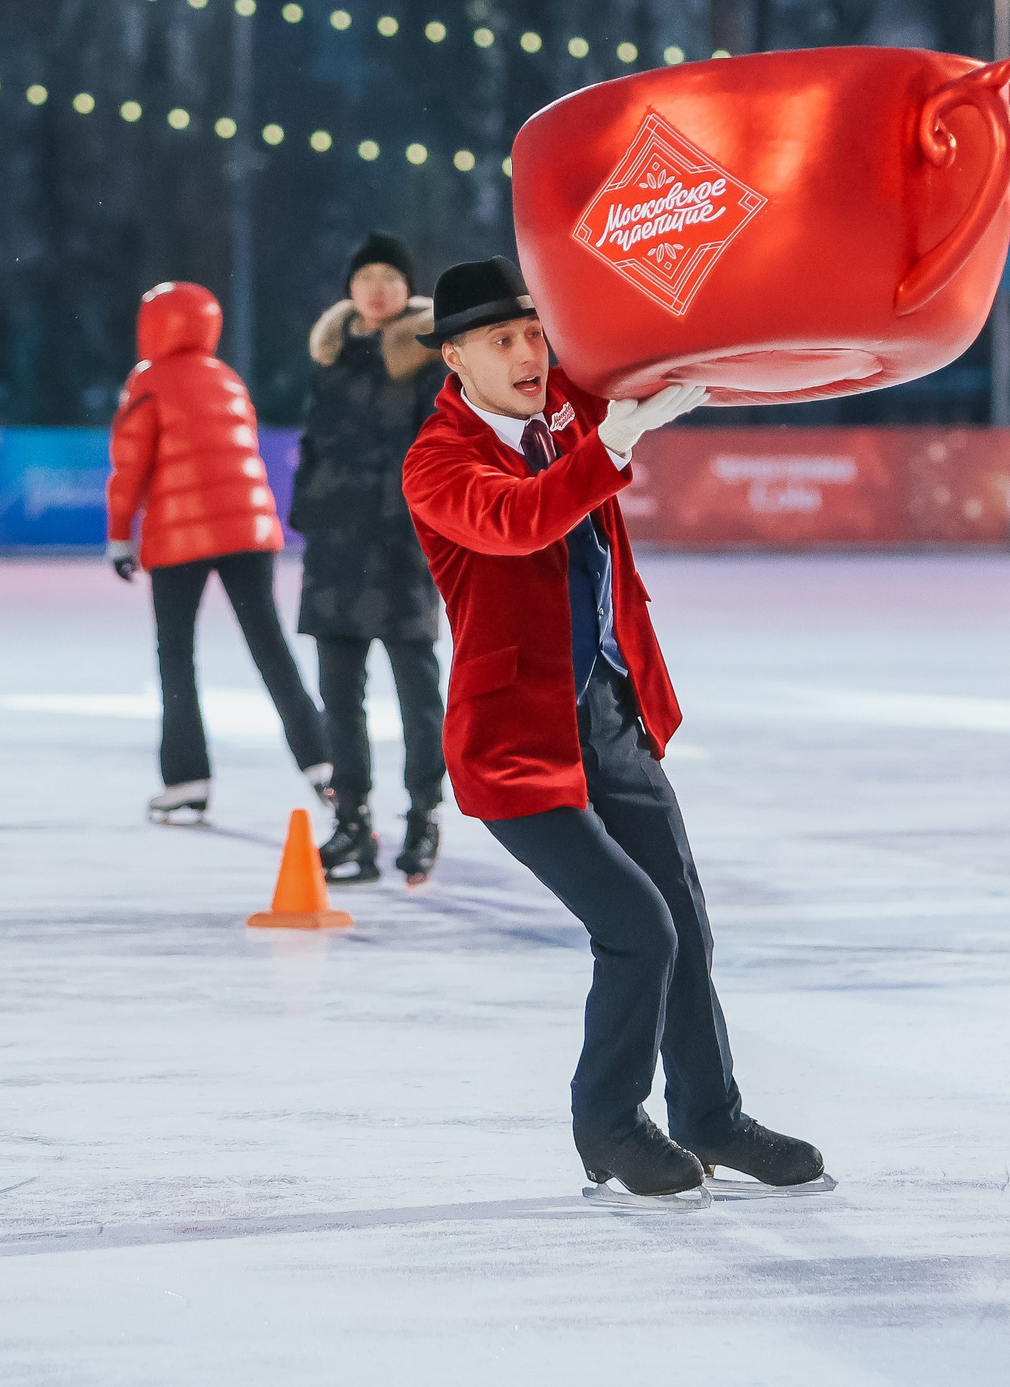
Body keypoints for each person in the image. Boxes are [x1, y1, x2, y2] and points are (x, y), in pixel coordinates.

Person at [401, 256, 827, 1206]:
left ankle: (710, 1114)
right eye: (503, 340)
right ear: (455, 357)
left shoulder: (565, 414)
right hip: (517, 745)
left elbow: (648, 349)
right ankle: (607, 1122)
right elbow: (517, 522)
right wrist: (611, 444)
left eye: (534, 333)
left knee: (685, 920)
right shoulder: (438, 461)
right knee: (636, 929)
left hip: (609, 714)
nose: (528, 353)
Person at [105, 281, 332, 825]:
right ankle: (326, 766)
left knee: (177, 655)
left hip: (180, 537)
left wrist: (119, 536)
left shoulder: (149, 381)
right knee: (271, 648)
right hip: (248, 532)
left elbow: (129, 466)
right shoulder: (227, 378)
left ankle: (187, 779)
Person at [292, 232, 448, 887]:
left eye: (390, 275)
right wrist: (309, 513)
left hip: (402, 546)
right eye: (366, 276)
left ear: (405, 287)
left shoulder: (427, 356)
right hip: (335, 550)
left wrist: (422, 524)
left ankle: (423, 816)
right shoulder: (330, 357)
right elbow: (314, 443)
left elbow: (439, 447)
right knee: (339, 696)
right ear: (351, 289)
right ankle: (352, 822)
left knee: (418, 692)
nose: (378, 286)